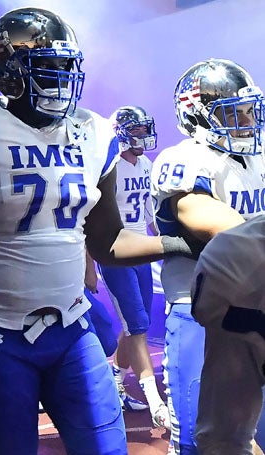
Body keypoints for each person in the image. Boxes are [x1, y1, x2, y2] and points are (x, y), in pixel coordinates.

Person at [0, 8, 199, 455]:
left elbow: (106, 241)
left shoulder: (94, 131)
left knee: (108, 449)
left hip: (71, 324)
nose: (63, 77)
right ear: (8, 68)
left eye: (68, 65)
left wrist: (179, 244)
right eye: (49, 65)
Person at [150, 58, 265, 454]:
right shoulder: (185, 158)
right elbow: (216, 222)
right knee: (206, 442)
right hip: (203, 311)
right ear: (198, 116)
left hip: (257, 303)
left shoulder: (256, 159)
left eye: (251, 109)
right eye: (236, 112)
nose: (249, 120)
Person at [97, 106, 170, 428]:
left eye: (144, 130)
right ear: (122, 132)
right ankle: (154, 399)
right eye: (136, 131)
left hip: (141, 250)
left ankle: (115, 378)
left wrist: (164, 244)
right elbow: (91, 220)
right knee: (138, 323)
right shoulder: (110, 167)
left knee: (132, 324)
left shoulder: (146, 164)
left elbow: (151, 216)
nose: (142, 136)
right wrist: (89, 263)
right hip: (116, 250)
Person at [189, 216, 265, 455]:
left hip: (232, 271)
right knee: (224, 438)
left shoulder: (231, 254)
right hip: (235, 278)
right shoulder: (235, 258)